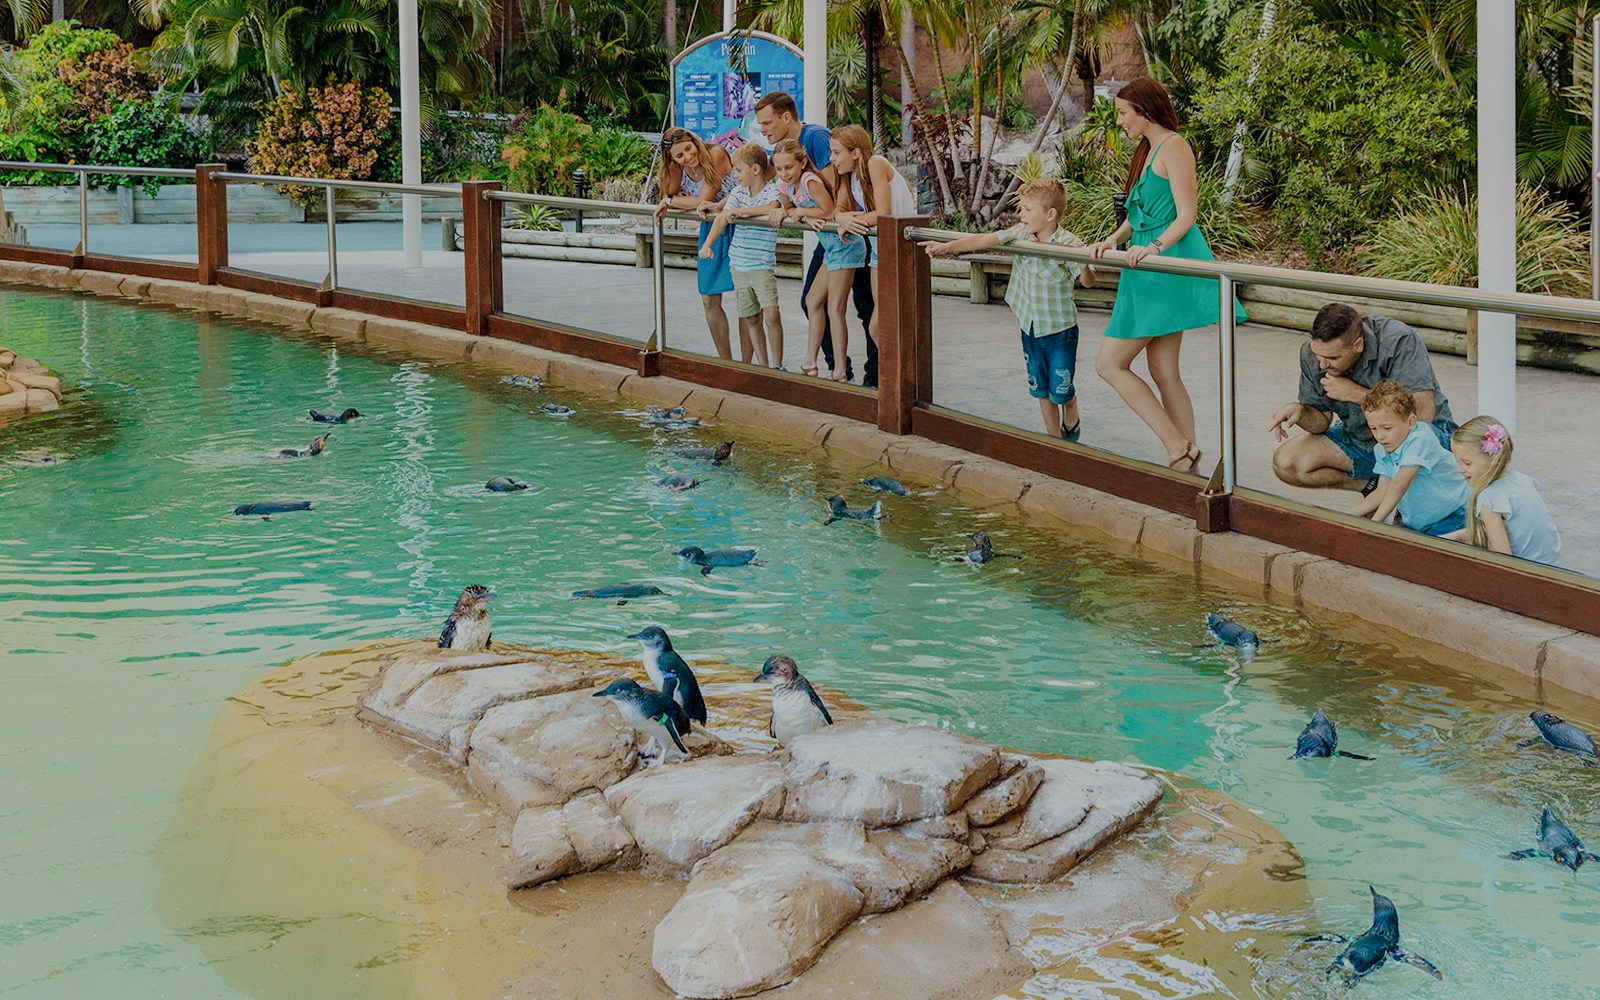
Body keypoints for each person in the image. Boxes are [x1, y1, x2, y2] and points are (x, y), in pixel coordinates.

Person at [1088, 77, 1246, 473]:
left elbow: (1186, 215)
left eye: (1124, 113)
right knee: (1162, 369)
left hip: (1161, 266)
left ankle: (1178, 447)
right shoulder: (1147, 150)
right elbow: (1141, 215)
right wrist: (1112, 239)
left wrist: (1155, 248)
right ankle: (1187, 461)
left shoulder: (1174, 147)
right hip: (1143, 267)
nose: (1120, 121)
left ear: (1143, 110)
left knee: (1109, 363)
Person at [924, 177, 1096, 439]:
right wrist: (946, 248)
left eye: (1027, 209)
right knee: (1040, 389)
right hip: (1030, 326)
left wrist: (1084, 263)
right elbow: (983, 240)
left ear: (1050, 214)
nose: (1021, 214)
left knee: (1060, 390)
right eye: (1021, 208)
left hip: (1060, 330)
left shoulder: (1069, 244)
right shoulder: (1019, 234)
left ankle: (1071, 405)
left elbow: (1088, 281)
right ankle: (1055, 443)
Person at [1268, 302, 1456, 496]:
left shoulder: (1399, 340)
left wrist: (1356, 394)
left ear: (1358, 345)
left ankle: (1402, 496)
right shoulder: (1311, 353)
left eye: (1332, 358)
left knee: (1412, 519)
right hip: (1362, 439)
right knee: (1287, 463)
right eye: (1318, 355)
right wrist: (1300, 412)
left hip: (1421, 437)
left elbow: (1422, 416)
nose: (1322, 364)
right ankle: (1371, 487)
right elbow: (1320, 424)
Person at [753, 92, 876, 384]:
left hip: (847, 233)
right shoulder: (786, 165)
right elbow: (787, 196)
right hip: (830, 238)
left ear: (786, 117)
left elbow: (835, 184)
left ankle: (870, 373)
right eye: (760, 125)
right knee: (813, 301)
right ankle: (829, 364)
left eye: (767, 122)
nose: (764, 129)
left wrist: (833, 214)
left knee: (863, 306)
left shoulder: (816, 137)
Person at [831, 124, 918, 377]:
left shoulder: (875, 163)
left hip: (899, 246)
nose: (832, 159)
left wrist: (848, 220)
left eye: (837, 153)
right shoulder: (849, 175)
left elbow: (883, 213)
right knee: (879, 326)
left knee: (880, 325)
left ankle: (903, 380)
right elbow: (839, 207)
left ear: (855, 152)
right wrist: (841, 218)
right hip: (880, 249)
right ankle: (900, 379)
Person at [770, 138, 857, 379]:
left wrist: (803, 212)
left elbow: (829, 211)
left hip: (845, 245)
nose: (784, 173)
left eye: (789, 167)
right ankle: (810, 362)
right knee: (812, 300)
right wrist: (801, 215)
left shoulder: (810, 181)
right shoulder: (784, 185)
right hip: (831, 250)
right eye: (779, 168)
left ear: (803, 163)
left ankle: (840, 370)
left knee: (835, 308)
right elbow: (789, 211)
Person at [654, 127, 739, 359]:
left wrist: (671, 201)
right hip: (711, 227)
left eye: (689, 149)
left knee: (746, 297)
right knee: (709, 298)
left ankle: (752, 363)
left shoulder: (716, 155)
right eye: (679, 155)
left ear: (695, 141)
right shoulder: (676, 166)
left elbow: (703, 199)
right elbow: (668, 194)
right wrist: (670, 193)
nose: (688, 158)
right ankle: (726, 361)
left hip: (739, 223)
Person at [700, 143, 785, 369]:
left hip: (762, 264)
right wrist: (708, 244)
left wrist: (743, 212)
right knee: (751, 317)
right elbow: (723, 217)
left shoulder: (772, 191)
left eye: (738, 170)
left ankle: (778, 365)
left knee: (771, 314)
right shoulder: (737, 193)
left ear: (755, 170)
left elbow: (772, 208)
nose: (735, 175)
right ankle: (763, 365)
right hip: (739, 265)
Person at [1347, 380, 1467, 537]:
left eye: (1387, 428)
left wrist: (1375, 521)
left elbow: (1399, 483)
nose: (1380, 436)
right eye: (1374, 428)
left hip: (1453, 514)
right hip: (1420, 523)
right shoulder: (1383, 448)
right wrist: (1345, 516)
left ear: (1411, 422)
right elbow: (1382, 490)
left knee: (1428, 555)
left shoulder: (1421, 438)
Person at [1445, 416, 1562, 565]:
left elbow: (1502, 560)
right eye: (1458, 461)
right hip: (1552, 564)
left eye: (1467, 463)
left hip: (1528, 574)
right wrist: (1456, 536)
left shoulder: (1489, 499)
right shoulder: (1522, 479)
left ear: (1492, 459)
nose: (1460, 469)